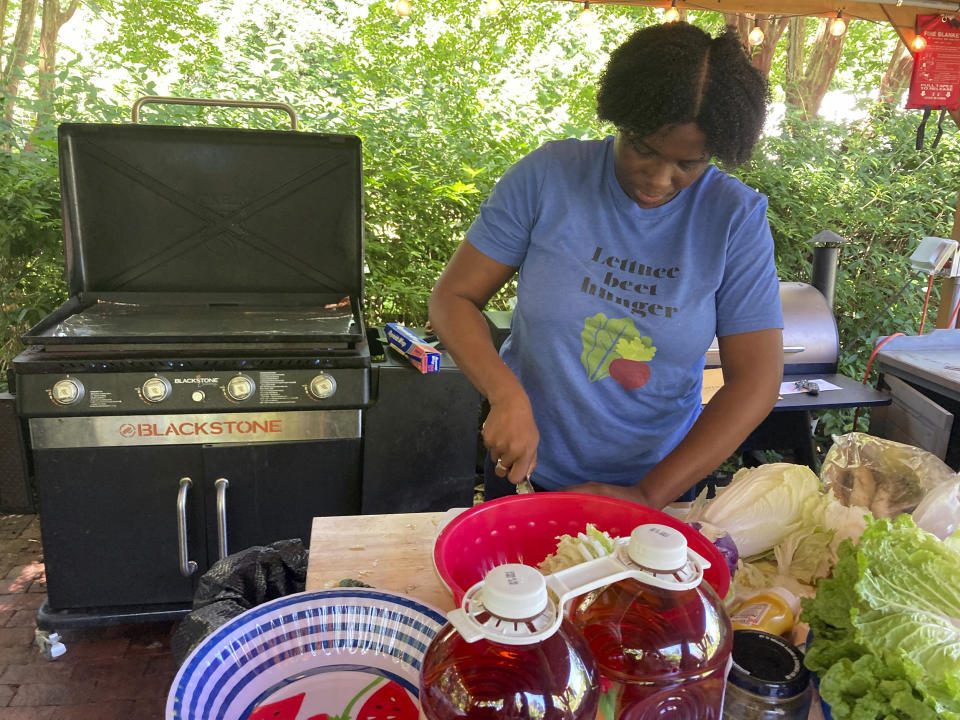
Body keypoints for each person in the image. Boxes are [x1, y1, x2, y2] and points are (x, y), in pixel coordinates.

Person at [428, 21, 784, 510]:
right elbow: (454, 297)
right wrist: (505, 395)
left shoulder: (735, 218)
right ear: (620, 117)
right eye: (644, 148)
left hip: (661, 488)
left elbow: (757, 379)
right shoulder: (548, 177)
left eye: (690, 163)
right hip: (528, 475)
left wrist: (645, 494)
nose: (659, 180)